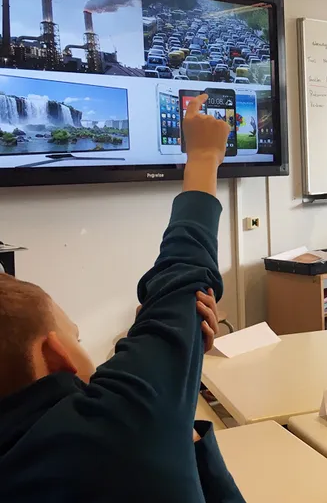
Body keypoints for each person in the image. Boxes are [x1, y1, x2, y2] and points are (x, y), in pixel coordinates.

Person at [0, 94, 244, 502]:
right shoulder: (115, 428)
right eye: (76, 338)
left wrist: (169, 396)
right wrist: (203, 156)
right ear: (56, 356)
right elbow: (182, 272)